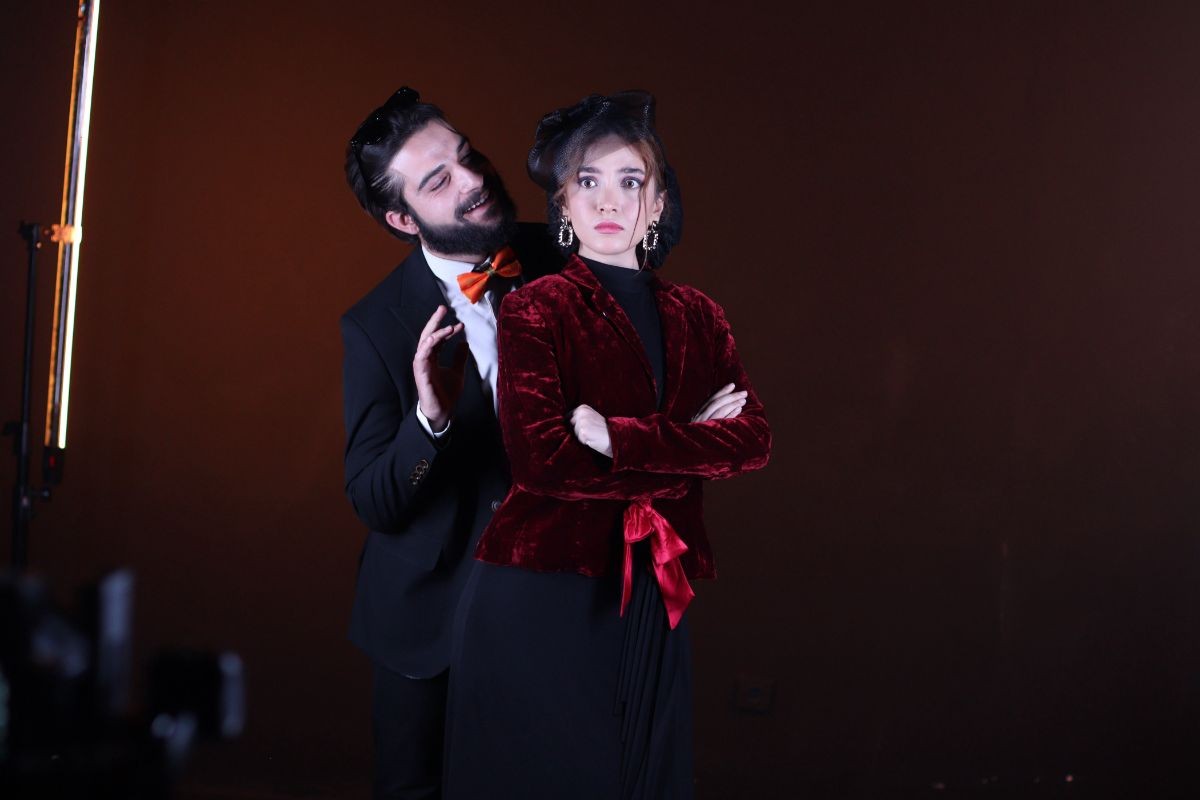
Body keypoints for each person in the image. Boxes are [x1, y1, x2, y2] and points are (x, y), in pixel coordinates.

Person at [443, 91, 772, 799]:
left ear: (658, 204)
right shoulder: (535, 308)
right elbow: (542, 463)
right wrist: (689, 444)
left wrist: (615, 438)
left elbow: (751, 441)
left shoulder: (699, 315)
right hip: (543, 590)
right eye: (587, 181)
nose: (608, 200)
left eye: (630, 181)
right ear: (564, 203)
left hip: (655, 584)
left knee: (644, 779)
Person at [339, 86, 564, 799]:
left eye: (468, 157)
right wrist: (429, 420)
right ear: (403, 219)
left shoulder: (569, 255)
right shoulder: (373, 324)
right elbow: (372, 500)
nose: (473, 180)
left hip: (555, 601)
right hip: (427, 616)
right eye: (439, 181)